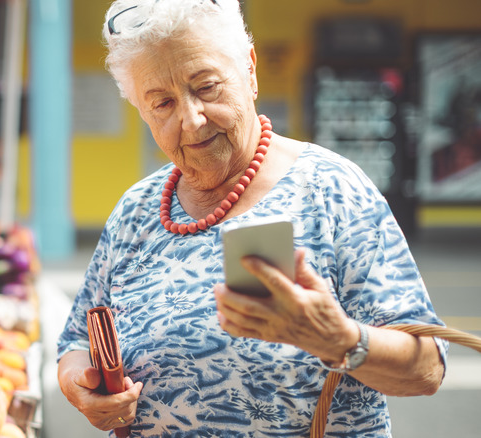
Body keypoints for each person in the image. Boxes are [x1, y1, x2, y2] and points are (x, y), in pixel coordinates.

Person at [56, 0, 447, 436]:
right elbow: (77, 341)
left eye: (206, 87)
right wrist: (80, 387)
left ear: (250, 69)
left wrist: (339, 340)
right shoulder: (137, 210)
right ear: (142, 111)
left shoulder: (331, 189)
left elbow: (426, 369)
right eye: (162, 103)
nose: (191, 119)